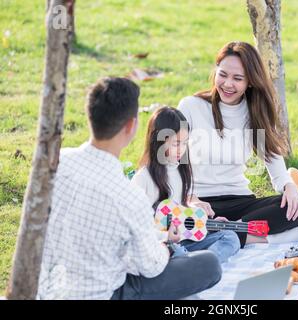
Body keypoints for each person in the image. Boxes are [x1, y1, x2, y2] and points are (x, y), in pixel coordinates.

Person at [37, 77, 221, 300]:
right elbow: (150, 266)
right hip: (106, 294)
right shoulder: (129, 195)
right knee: (209, 264)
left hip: (48, 288)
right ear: (131, 127)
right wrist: (165, 246)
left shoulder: (57, 162)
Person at [177, 41, 298, 249]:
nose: (228, 84)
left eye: (237, 78)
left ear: (250, 81)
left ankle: (224, 232)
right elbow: (171, 162)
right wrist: (190, 198)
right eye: (223, 74)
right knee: (170, 217)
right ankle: (243, 235)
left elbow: (273, 160)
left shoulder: (255, 112)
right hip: (199, 202)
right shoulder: (191, 106)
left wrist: (289, 186)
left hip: (239, 201)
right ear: (215, 71)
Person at [131, 106, 240, 264]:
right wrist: (165, 236)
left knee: (230, 237)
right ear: (158, 142)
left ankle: (202, 264)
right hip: (161, 245)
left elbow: (180, 213)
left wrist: (206, 224)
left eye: (184, 143)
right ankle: (197, 264)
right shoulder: (144, 178)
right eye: (175, 144)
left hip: (183, 242)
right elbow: (137, 227)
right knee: (176, 252)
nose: (181, 150)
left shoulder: (180, 171)